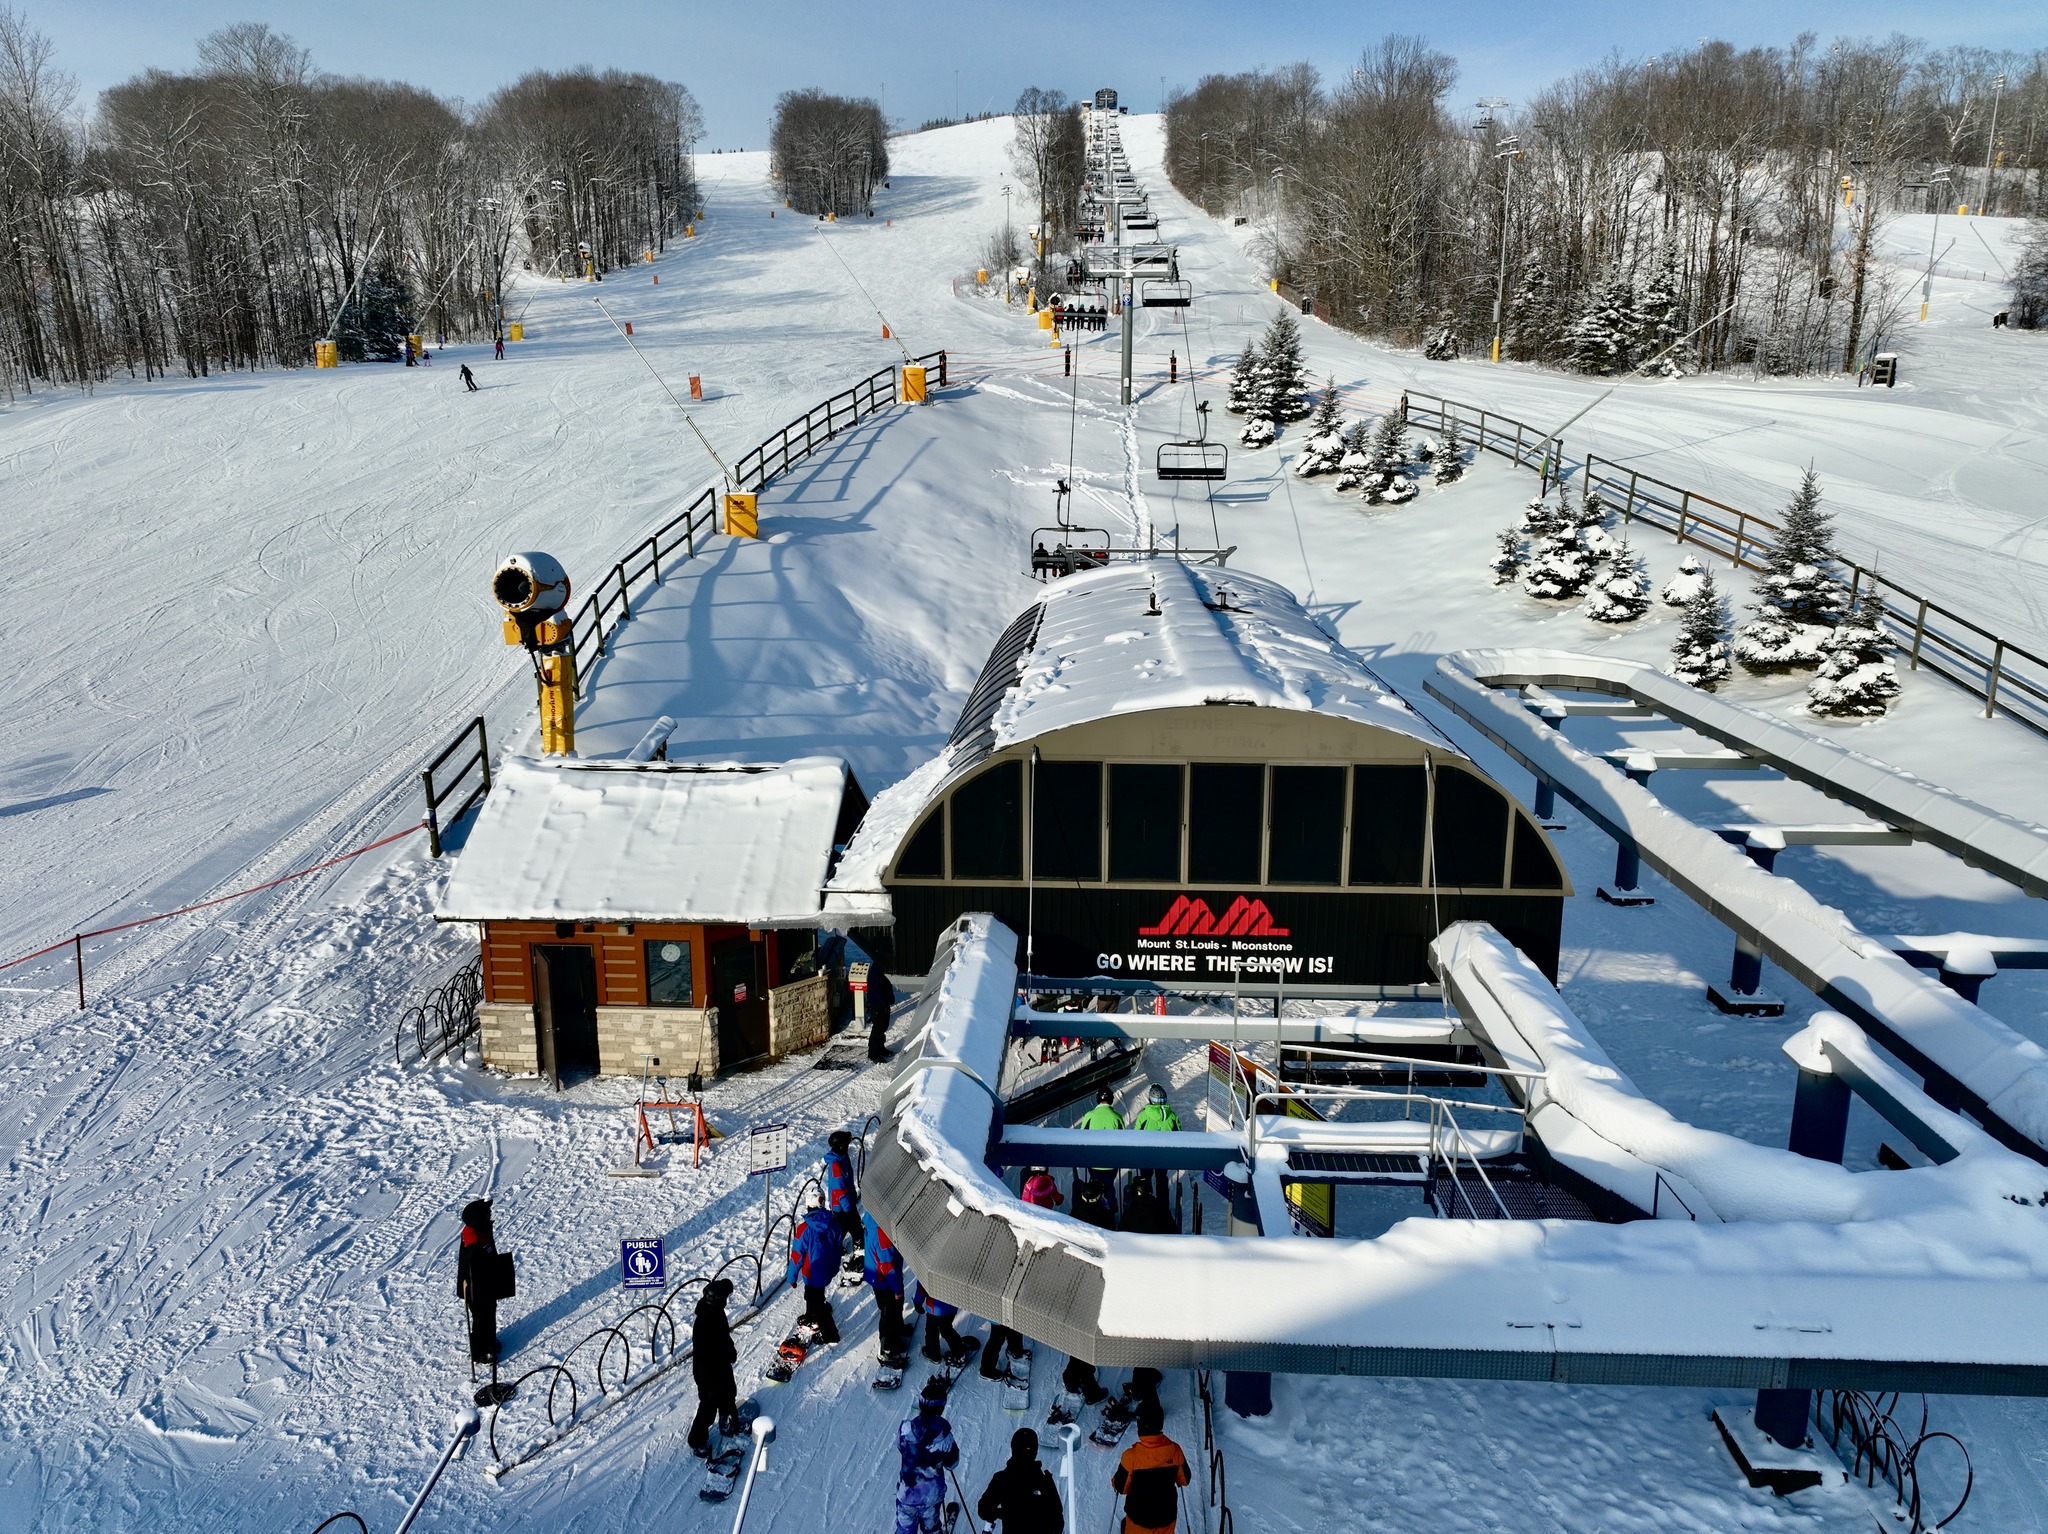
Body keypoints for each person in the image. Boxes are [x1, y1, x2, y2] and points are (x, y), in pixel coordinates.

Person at [1111, 1399, 1190, 1534]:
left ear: (1140, 1425)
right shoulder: (1175, 1450)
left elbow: (1121, 1487)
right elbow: (1184, 1480)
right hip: (1167, 1516)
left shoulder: (1131, 1457)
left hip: (1139, 1519)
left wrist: (1115, 1482)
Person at [896, 1377, 961, 1534]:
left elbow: (901, 1447)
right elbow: (952, 1464)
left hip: (907, 1494)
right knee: (931, 1526)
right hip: (930, 1496)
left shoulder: (905, 1428)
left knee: (904, 1529)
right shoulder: (945, 1438)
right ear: (941, 1409)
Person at [687, 1277, 741, 1455]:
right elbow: (703, 1355)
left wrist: (730, 1351)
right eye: (725, 1297)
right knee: (709, 1405)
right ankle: (697, 1441)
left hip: (721, 1364)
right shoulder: (704, 1321)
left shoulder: (716, 1310)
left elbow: (723, 1337)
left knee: (728, 1394)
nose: (727, 1300)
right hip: (707, 1371)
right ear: (717, 1299)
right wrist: (707, 1382)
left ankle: (727, 1423)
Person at [977, 1427, 1064, 1533]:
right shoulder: (1044, 1481)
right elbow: (1058, 1522)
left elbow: (984, 1510)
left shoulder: (1001, 1479)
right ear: (1035, 1452)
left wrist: (1004, 1513)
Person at [788, 1195, 842, 1343]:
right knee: (814, 1294)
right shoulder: (834, 1224)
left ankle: (830, 1334)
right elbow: (837, 1249)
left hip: (811, 1272)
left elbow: (797, 1256)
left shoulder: (804, 1228)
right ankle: (811, 1316)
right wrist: (835, 1268)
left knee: (817, 1303)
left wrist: (792, 1277)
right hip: (826, 1271)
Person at [455, 1198, 500, 1366]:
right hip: (476, 1287)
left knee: (490, 1313)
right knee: (481, 1318)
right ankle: (480, 1352)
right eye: (487, 1212)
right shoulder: (472, 1237)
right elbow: (472, 1265)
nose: (490, 1213)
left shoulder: (482, 1229)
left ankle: (490, 1342)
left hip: (486, 1283)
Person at [864, 1210, 909, 1360]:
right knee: (889, 1313)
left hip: (876, 1276)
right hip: (884, 1281)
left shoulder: (872, 1222)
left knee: (892, 1308)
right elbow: (887, 1266)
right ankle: (888, 1346)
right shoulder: (883, 1234)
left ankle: (899, 1329)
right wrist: (897, 1288)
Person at [1132, 1085, 1181, 1204]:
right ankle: (1162, 1206)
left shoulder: (1144, 1116)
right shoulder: (1172, 1116)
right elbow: (1178, 1134)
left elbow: (1136, 1134)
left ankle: (1146, 1203)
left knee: (1145, 1179)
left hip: (1146, 1155)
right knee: (1161, 1179)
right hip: (1163, 1155)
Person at [1079, 1089, 1124, 1214]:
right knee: (1109, 1187)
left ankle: (1094, 1212)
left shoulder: (1090, 1116)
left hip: (1094, 1161)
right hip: (1111, 1163)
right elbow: (1123, 1139)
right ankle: (1111, 1212)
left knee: (1094, 1187)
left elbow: (1082, 1138)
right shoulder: (1117, 1117)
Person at [915, 1279, 972, 1364]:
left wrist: (917, 1302)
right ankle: (959, 1353)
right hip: (951, 1306)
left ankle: (933, 1354)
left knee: (931, 1331)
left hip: (934, 1308)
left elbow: (921, 1287)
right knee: (946, 1329)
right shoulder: (957, 1270)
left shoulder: (930, 1270)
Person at [824, 1130, 862, 1257]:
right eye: (846, 1145)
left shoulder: (842, 1158)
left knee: (853, 1224)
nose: (848, 1147)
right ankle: (838, 1247)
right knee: (846, 1226)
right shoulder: (836, 1165)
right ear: (841, 1147)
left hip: (847, 1201)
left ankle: (858, 1239)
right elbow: (839, 1189)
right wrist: (848, 1207)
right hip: (842, 1206)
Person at [866, 965, 897, 1062]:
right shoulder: (876, 970)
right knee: (877, 1028)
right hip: (878, 1004)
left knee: (883, 1027)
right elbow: (877, 990)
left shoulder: (880, 967)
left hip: (883, 1003)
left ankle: (880, 1048)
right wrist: (883, 1004)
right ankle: (873, 1053)